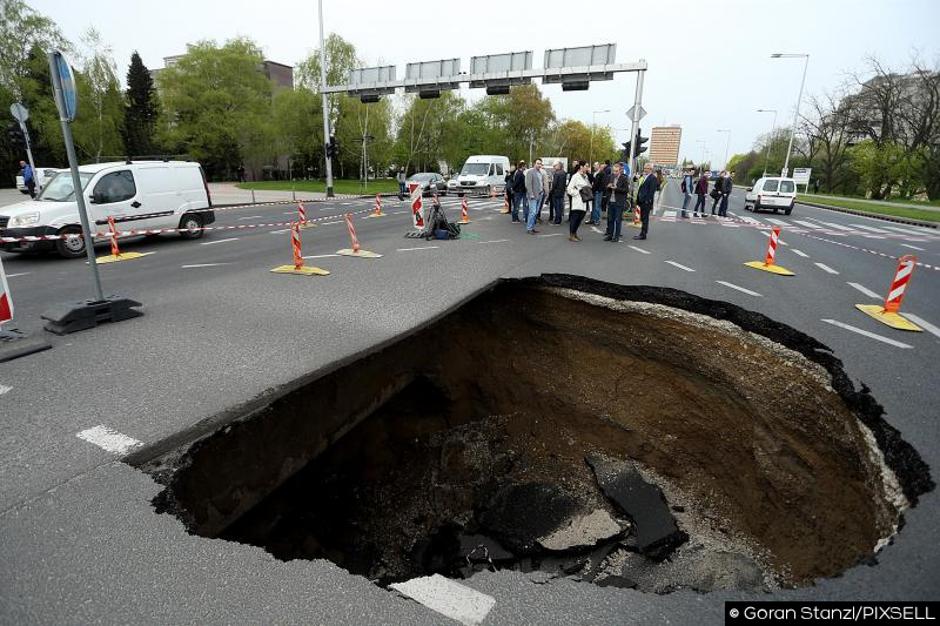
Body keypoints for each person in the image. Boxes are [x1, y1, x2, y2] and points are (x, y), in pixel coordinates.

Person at [603, 162, 630, 242]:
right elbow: (606, 187)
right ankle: (610, 235)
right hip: (611, 201)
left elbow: (626, 190)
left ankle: (616, 236)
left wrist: (616, 188)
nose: (615, 173)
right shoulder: (610, 177)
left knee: (617, 220)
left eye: (616, 171)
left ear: (620, 170)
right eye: (614, 171)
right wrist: (608, 187)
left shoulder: (624, 178)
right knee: (610, 219)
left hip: (619, 202)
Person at [566, 161, 591, 241]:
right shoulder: (575, 176)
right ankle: (571, 235)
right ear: (581, 167)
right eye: (586, 166)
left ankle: (575, 233)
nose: (587, 168)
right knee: (575, 218)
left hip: (585, 200)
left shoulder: (586, 176)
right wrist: (578, 192)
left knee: (581, 217)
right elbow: (569, 189)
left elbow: (588, 185)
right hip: (577, 200)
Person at [633, 163, 659, 240]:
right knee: (642, 218)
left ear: (651, 169)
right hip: (641, 201)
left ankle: (643, 234)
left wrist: (647, 201)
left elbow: (651, 191)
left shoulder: (653, 178)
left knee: (645, 218)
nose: (645, 170)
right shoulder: (645, 177)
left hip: (646, 202)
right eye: (644, 168)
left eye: (647, 168)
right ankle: (642, 233)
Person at [524, 158, 544, 234]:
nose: (539, 165)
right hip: (533, 195)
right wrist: (531, 194)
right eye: (538, 163)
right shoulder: (530, 172)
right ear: (534, 164)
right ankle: (529, 228)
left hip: (540, 194)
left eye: (540, 164)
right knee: (532, 212)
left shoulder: (540, 172)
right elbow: (528, 184)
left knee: (535, 213)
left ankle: (532, 227)